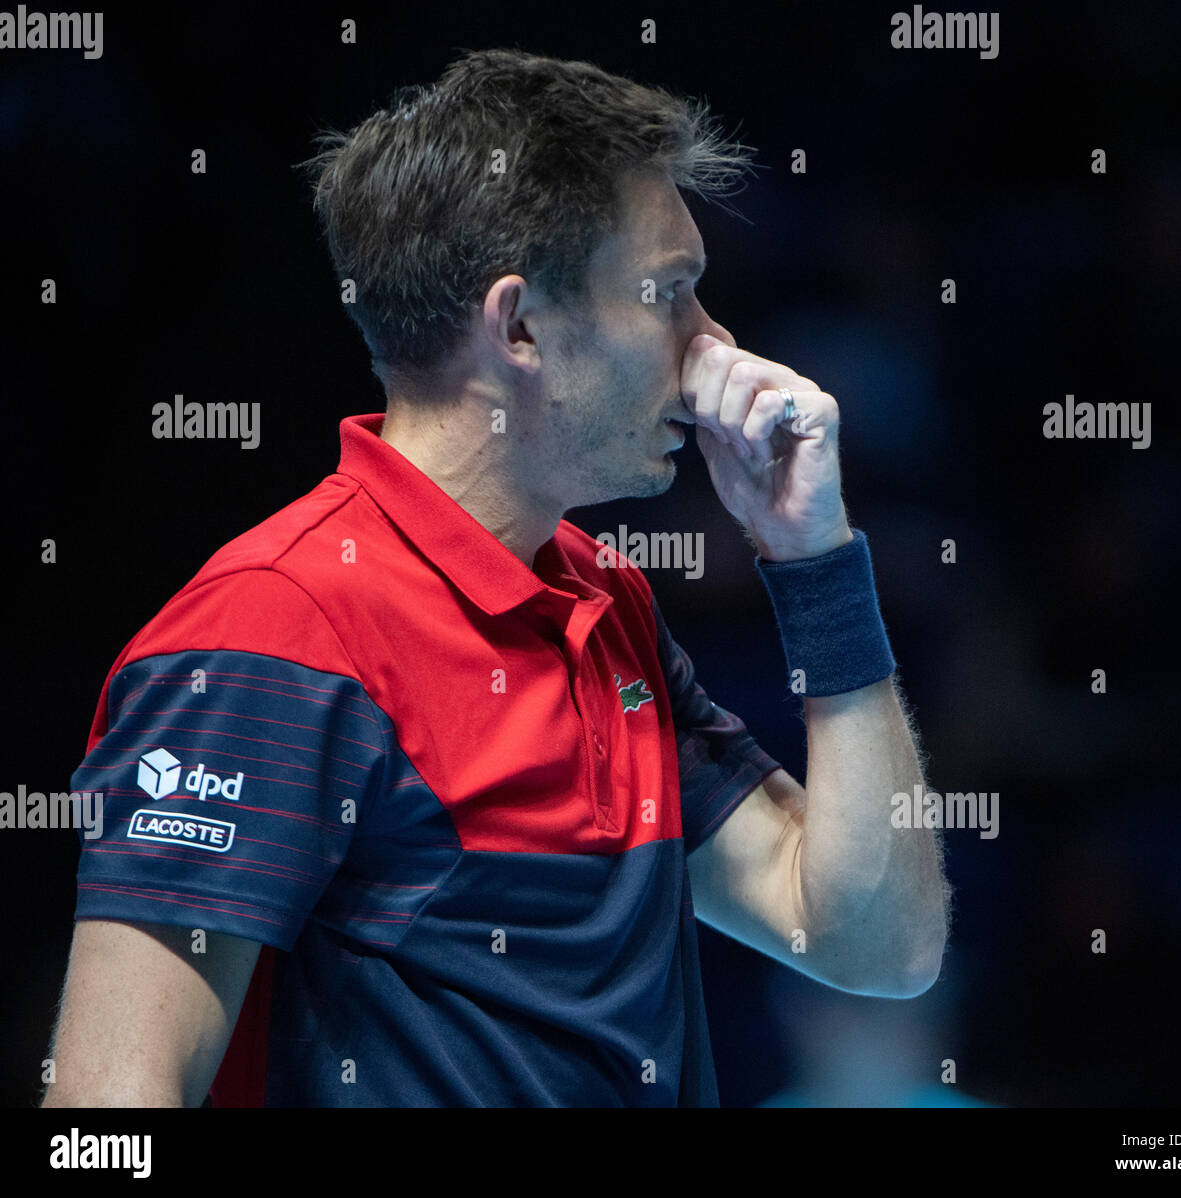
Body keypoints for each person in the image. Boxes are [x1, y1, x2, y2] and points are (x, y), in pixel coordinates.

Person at [42, 48, 950, 1108]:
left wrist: (818, 567)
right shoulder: (272, 635)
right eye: (673, 295)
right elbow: (106, 1114)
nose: (715, 344)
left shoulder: (610, 607)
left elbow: (878, 945)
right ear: (518, 325)